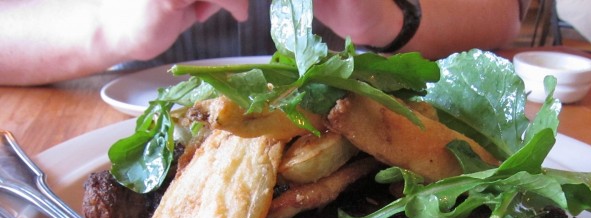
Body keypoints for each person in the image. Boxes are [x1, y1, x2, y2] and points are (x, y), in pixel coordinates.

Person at [0, 0, 530, 86]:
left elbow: (503, 14)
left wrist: (391, 18)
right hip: (108, 121)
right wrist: (109, 25)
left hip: (368, 110)